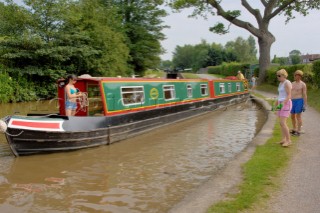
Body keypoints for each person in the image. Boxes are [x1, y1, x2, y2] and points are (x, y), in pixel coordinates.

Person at [276, 69, 292, 147]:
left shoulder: (287, 82)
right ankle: (283, 139)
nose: (277, 77)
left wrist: (283, 103)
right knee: (281, 123)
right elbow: (279, 95)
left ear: (283, 75)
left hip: (286, 103)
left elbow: (289, 95)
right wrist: (276, 104)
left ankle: (288, 141)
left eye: (279, 75)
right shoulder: (280, 83)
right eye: (277, 75)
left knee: (283, 122)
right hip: (280, 102)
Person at [290, 70, 307, 136]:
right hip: (292, 101)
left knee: (298, 116)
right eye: (295, 75)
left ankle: (299, 130)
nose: (295, 76)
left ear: (300, 76)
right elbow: (288, 93)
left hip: (299, 101)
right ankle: (294, 128)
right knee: (292, 116)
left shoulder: (303, 84)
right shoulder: (292, 83)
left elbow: (305, 94)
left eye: (296, 75)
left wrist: (305, 104)